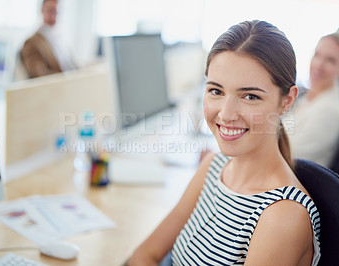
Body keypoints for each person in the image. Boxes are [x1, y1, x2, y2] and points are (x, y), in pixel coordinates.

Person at [129, 20, 321, 265]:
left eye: (250, 96)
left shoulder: (282, 215)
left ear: (287, 100)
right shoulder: (213, 166)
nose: (226, 114)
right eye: (216, 91)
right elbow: (146, 254)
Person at [284, 31, 339, 168]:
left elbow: (288, 155)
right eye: (317, 55)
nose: (319, 65)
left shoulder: (330, 111)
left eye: (330, 60)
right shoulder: (309, 97)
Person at [20, 0, 76, 78]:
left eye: (57, 12)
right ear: (42, 10)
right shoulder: (31, 43)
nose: (54, 17)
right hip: (55, 87)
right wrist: (65, 78)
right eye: (50, 11)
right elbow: (39, 74)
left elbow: (73, 66)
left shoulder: (61, 41)